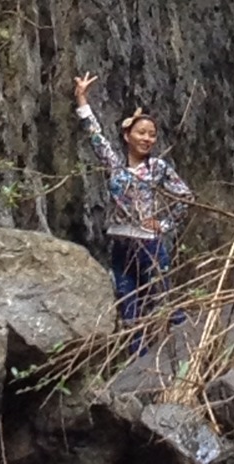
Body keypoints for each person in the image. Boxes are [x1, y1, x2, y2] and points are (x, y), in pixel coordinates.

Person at [72, 71, 194, 337]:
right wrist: (82, 98)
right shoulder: (115, 166)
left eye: (152, 135)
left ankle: (189, 348)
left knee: (164, 300)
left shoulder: (158, 168)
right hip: (120, 242)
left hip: (148, 243)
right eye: (141, 133)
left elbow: (186, 197)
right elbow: (94, 135)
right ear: (127, 135)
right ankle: (136, 359)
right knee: (129, 304)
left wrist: (163, 224)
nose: (147, 139)